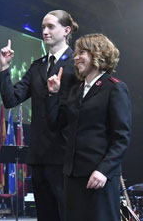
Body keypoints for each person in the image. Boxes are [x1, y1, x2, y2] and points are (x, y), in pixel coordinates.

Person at [0, 10, 79, 221]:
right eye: (43, 27)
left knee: (67, 214)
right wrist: (4, 68)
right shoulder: (37, 66)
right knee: (45, 215)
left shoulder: (76, 65)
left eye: (51, 26)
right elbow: (11, 100)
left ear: (66, 30)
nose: (45, 31)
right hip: (39, 156)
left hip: (65, 155)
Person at [46, 33, 131, 221]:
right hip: (72, 176)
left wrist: (103, 170)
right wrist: (54, 94)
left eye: (81, 52)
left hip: (99, 177)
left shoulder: (114, 88)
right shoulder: (75, 90)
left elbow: (121, 138)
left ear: (98, 53)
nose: (76, 57)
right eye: (76, 53)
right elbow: (57, 124)